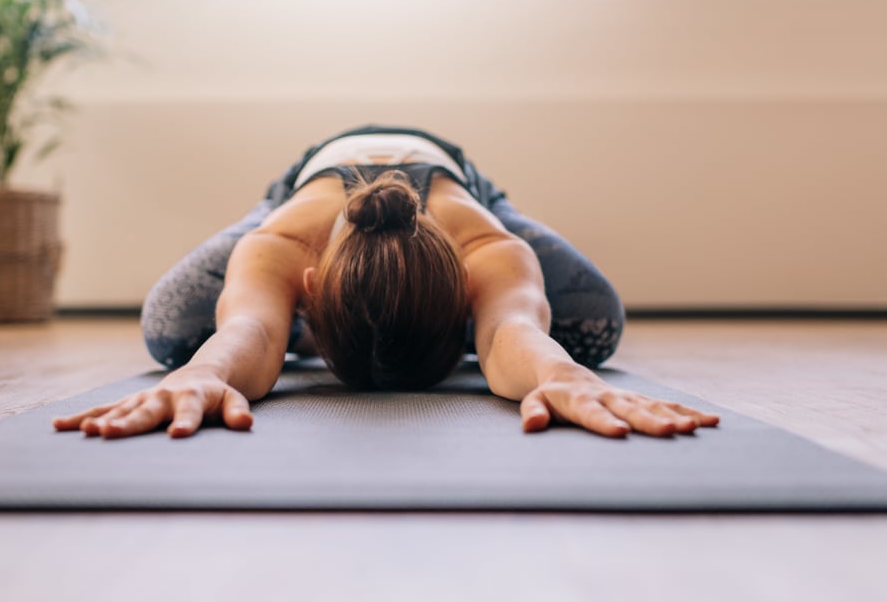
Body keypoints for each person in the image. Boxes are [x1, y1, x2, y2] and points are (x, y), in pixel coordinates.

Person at [54, 125, 719, 439]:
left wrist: (558, 372)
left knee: (591, 326)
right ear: (307, 289)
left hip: (459, 182)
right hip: (308, 186)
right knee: (173, 332)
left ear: (467, 288)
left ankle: (399, 318)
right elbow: (250, 332)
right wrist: (205, 371)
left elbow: (510, 330)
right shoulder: (283, 241)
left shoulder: (484, 242)